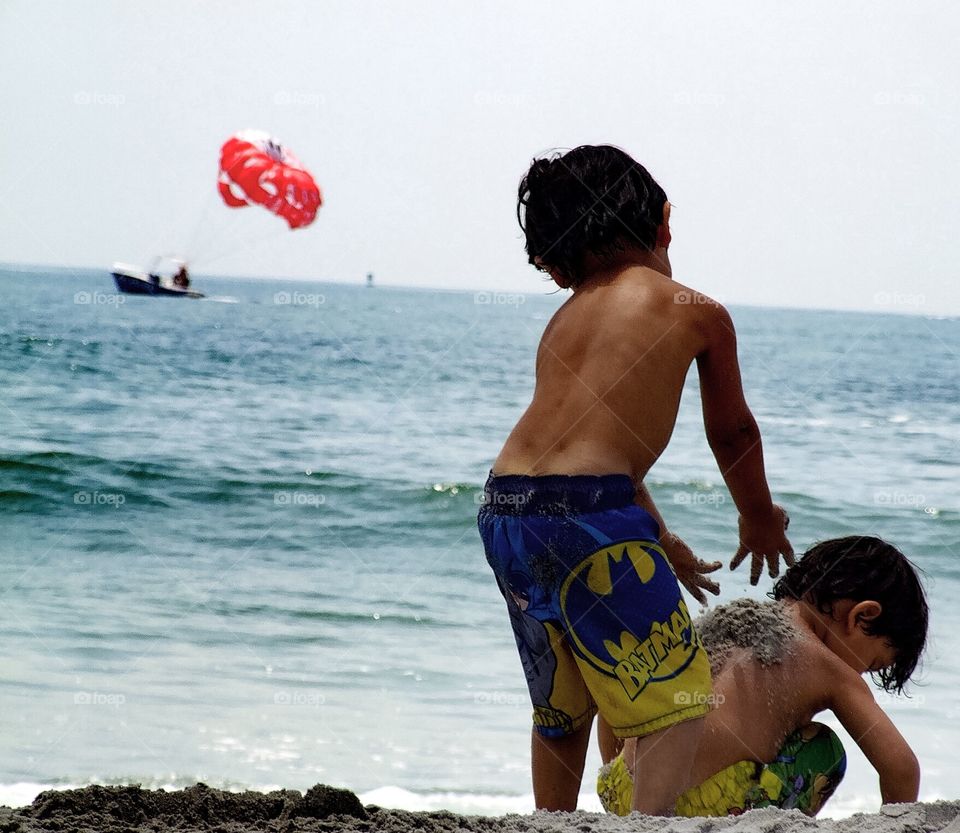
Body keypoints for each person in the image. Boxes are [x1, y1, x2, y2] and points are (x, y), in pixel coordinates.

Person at [477, 144, 793, 814]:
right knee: (677, 702)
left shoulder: (564, 320)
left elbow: (587, 456)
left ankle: (552, 822)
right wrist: (758, 516)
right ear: (664, 223)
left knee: (562, 706)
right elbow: (732, 431)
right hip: (593, 513)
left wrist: (661, 537)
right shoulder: (695, 308)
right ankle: (646, 826)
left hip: (506, 506)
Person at [597, 536, 928, 817]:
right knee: (824, 749)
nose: (859, 675)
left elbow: (621, 698)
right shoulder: (830, 669)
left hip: (621, 787)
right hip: (697, 807)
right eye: (870, 664)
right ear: (862, 616)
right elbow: (901, 768)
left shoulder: (723, 621)